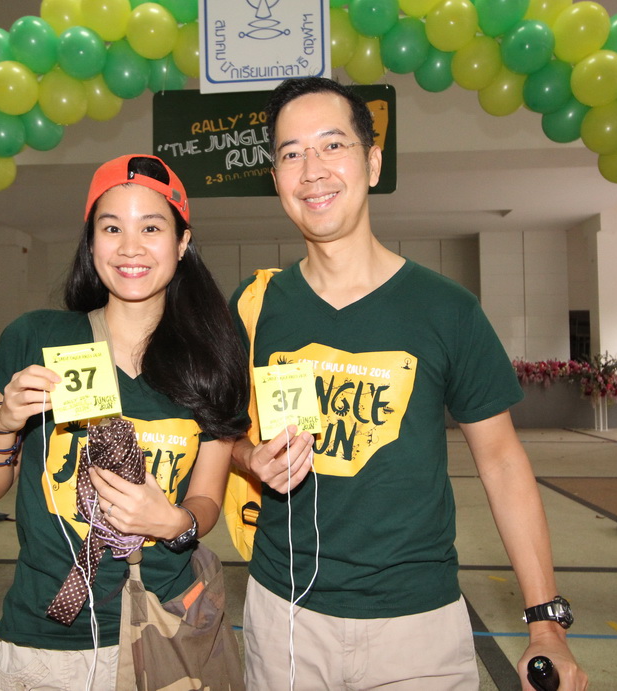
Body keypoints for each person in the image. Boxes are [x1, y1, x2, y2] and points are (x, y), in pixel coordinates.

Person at [229, 77, 588, 690]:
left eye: (332, 145)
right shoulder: (257, 306)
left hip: (417, 624)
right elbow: (222, 436)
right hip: (283, 616)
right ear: (276, 178)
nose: (312, 170)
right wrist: (249, 457)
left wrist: (545, 624)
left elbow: (502, 462)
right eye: (291, 153)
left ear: (372, 163)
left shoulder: (446, 308)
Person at [0, 154, 248, 690]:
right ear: (91, 241)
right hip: (47, 638)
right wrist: (3, 423)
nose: (130, 247)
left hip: (164, 625)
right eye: (112, 227)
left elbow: (206, 499)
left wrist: (173, 523)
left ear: (182, 243)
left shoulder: (212, 360)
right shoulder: (36, 338)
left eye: (152, 228)